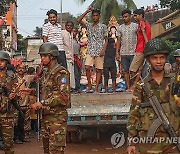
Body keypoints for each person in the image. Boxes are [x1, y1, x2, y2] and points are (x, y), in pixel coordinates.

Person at [127, 38, 180, 154]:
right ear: (148, 60)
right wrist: (132, 141)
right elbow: (134, 114)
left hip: (173, 140)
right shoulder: (141, 86)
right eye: (154, 58)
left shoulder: (175, 82)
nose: (158, 61)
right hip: (148, 142)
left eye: (161, 57)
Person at [32, 42, 71, 154]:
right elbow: (47, 91)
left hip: (57, 119)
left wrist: (43, 102)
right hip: (46, 118)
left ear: (52, 56)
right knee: (47, 151)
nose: (42, 59)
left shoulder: (61, 72)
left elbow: (63, 97)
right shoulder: (46, 73)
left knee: (56, 150)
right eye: (41, 56)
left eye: (44, 56)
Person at [78, 8, 108, 93]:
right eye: (93, 16)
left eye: (96, 15)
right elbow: (79, 20)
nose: (95, 17)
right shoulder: (89, 25)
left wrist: (103, 50)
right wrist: (87, 11)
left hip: (99, 50)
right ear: (92, 17)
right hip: (90, 49)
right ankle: (89, 85)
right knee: (87, 67)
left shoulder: (103, 26)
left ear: (99, 16)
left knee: (99, 69)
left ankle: (96, 88)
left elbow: (106, 39)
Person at [0, 50, 18, 154]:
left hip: (7, 115)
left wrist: (14, 95)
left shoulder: (12, 77)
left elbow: (18, 93)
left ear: (7, 62)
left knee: (8, 145)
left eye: (2, 61)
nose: (0, 63)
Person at [129, 9, 151, 91]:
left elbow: (144, 33)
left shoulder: (142, 23)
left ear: (141, 15)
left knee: (132, 69)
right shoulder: (144, 23)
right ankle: (135, 86)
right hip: (141, 48)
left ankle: (135, 86)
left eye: (136, 15)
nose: (134, 17)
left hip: (141, 49)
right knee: (140, 69)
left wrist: (147, 46)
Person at [116, 9, 138, 91]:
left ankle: (133, 87)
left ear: (130, 16)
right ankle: (128, 87)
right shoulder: (120, 28)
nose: (125, 18)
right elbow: (118, 40)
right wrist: (117, 53)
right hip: (124, 52)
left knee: (133, 71)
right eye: (123, 17)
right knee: (125, 71)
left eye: (126, 16)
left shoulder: (135, 26)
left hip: (134, 51)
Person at [62, 21, 76, 90]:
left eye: (71, 26)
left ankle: (71, 87)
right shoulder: (63, 33)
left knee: (71, 73)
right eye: (68, 25)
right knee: (66, 73)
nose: (69, 27)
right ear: (65, 26)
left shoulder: (71, 34)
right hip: (65, 56)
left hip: (71, 57)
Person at [72, 27, 82, 93]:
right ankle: (76, 87)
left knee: (78, 73)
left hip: (77, 58)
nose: (74, 33)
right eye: (73, 31)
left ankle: (78, 87)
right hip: (72, 58)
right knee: (75, 73)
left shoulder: (77, 41)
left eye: (75, 31)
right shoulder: (68, 40)